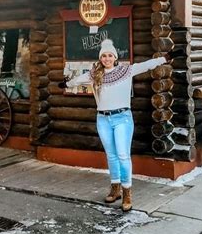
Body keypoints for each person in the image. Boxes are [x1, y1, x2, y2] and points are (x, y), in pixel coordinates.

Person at [60, 39, 175, 212]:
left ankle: (127, 191)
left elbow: (146, 65)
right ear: (100, 58)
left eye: (110, 55)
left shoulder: (126, 70)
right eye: (104, 56)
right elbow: (78, 80)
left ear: (115, 57)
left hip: (122, 118)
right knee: (111, 155)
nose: (107, 59)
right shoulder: (95, 74)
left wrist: (165, 58)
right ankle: (115, 188)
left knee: (122, 154)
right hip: (103, 119)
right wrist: (67, 83)